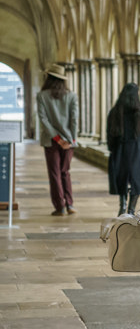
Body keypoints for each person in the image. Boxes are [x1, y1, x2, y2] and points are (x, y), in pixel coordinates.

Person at [106, 83, 140, 216]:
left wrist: (112, 149)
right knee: (137, 180)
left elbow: (109, 133)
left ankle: (122, 205)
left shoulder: (115, 112)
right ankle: (131, 209)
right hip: (137, 152)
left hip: (120, 152)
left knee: (122, 178)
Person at [36, 64, 78, 216]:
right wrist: (71, 139)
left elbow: (43, 119)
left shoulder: (42, 96)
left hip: (51, 140)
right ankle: (70, 204)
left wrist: (56, 138)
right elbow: (74, 119)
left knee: (54, 173)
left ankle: (60, 206)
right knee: (65, 172)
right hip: (68, 141)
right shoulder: (72, 95)